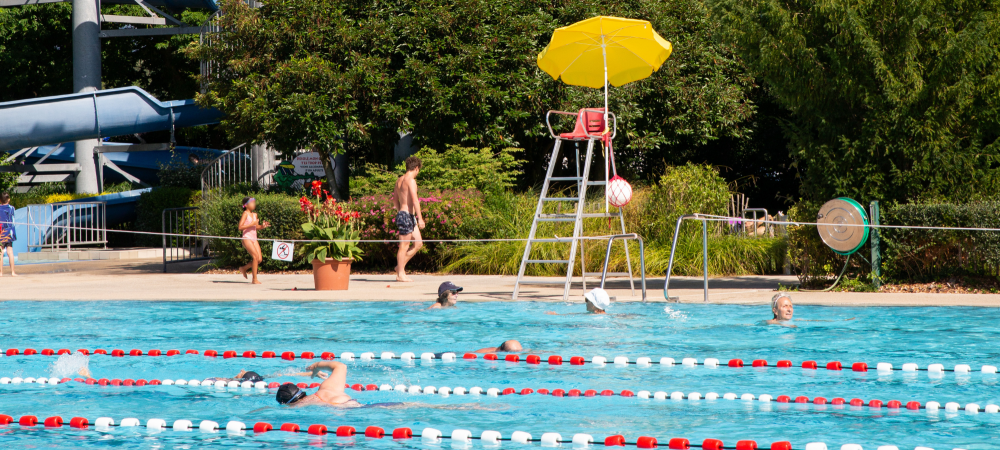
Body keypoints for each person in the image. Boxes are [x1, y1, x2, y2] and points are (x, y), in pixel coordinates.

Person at [391, 156, 425, 282]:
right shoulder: (410, 180)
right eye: (418, 170)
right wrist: (420, 218)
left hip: (407, 215)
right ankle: (400, 274)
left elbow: (395, 200)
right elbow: (415, 200)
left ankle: (399, 266)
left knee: (418, 243)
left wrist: (400, 211)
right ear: (416, 168)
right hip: (406, 215)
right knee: (404, 246)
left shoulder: (398, 180)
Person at [276, 361, 360, 407]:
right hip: (356, 404)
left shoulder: (299, 405)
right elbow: (341, 366)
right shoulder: (327, 387)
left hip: (343, 409)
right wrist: (316, 366)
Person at [238, 197, 269, 284]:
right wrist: (252, 223)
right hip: (246, 237)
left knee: (259, 259)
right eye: (252, 203)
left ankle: (243, 268)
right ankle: (254, 279)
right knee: (255, 257)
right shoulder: (245, 214)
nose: (254, 204)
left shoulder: (255, 215)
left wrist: (262, 226)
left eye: (254, 202)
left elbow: (255, 227)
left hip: (254, 238)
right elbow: (240, 227)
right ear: (246, 205)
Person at [546, 288, 610, 315]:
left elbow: (575, 316)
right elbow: (576, 314)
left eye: (587, 300)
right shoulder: (608, 315)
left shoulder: (592, 316)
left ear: (594, 304)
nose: (586, 302)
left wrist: (558, 315)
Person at [0, 192, 16, 277]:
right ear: (9, 200)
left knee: (0, 252)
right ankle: (13, 272)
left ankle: (0, 272)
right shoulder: (12, 208)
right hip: (10, 232)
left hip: (1, 232)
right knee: (10, 252)